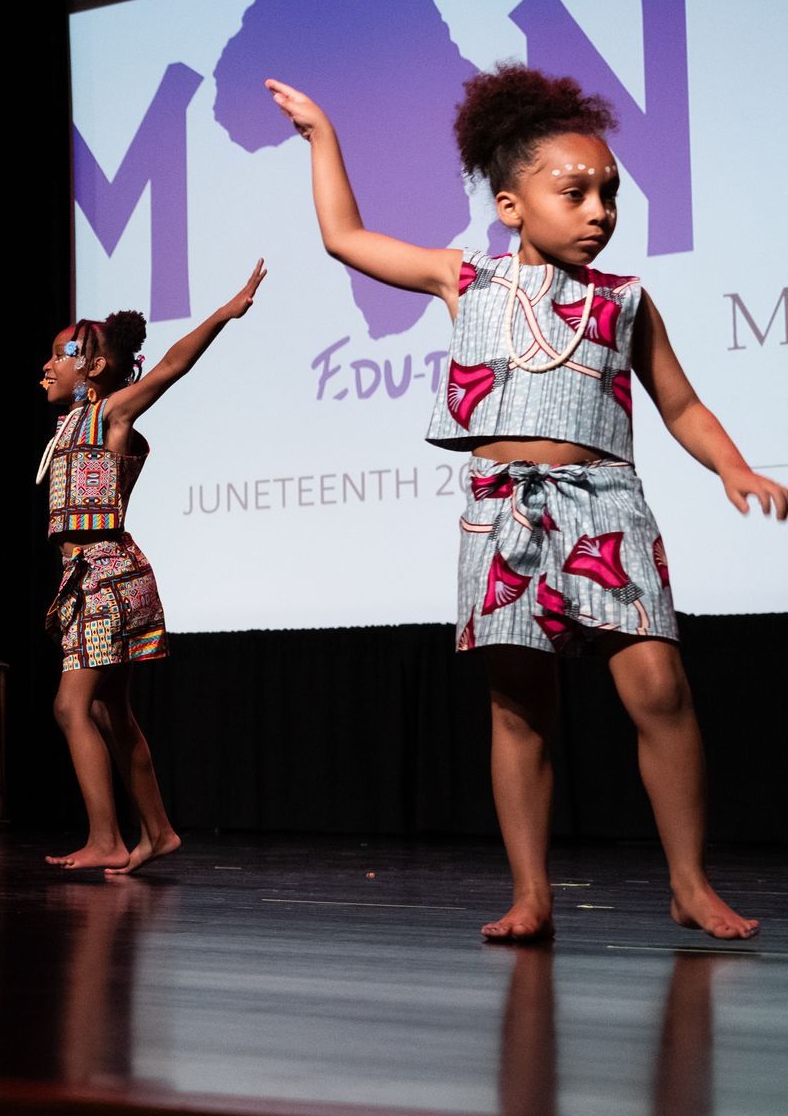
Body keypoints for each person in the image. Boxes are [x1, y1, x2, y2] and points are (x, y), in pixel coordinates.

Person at [268, 66, 784, 940]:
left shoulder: (626, 301)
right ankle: (532, 893)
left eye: (609, 194)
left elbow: (682, 406)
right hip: (502, 509)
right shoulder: (465, 279)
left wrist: (733, 466)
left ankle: (689, 882)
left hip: (607, 504)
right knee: (517, 703)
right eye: (574, 193)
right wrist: (323, 136)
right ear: (510, 205)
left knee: (660, 687)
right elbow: (345, 238)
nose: (599, 211)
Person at [36, 263, 267, 874]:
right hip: (102, 576)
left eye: (59, 355)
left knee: (70, 708)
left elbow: (169, 367)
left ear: (92, 366)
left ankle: (107, 838)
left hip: (103, 576)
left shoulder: (109, 415)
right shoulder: (70, 425)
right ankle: (158, 831)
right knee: (110, 712)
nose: (47, 366)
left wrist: (223, 313)